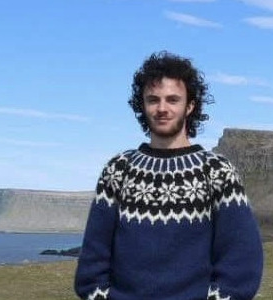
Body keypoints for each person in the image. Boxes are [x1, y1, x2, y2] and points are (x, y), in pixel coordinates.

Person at [74, 51, 263, 300]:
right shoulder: (119, 170)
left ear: (190, 105)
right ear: (142, 105)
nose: (162, 108)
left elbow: (242, 264)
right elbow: (92, 263)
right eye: (153, 99)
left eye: (173, 99)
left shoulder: (217, 172)